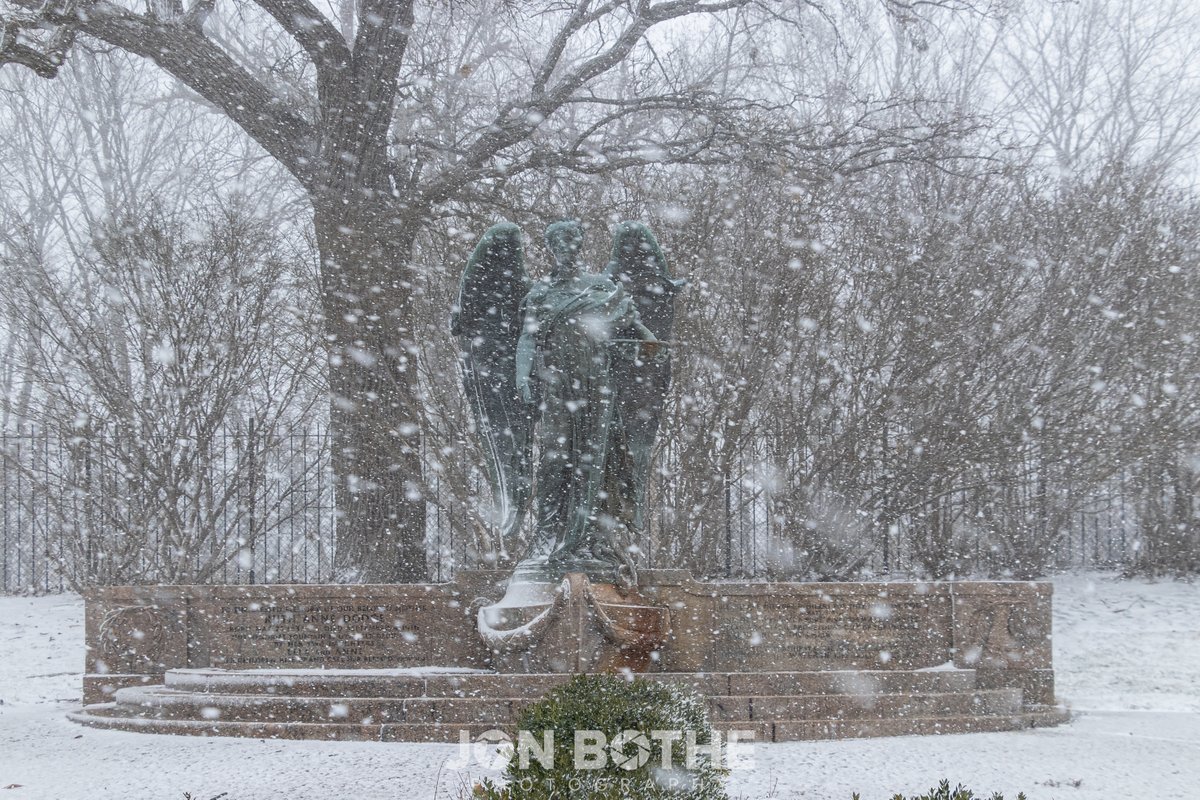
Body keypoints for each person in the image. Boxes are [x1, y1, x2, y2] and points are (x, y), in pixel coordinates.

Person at [513, 220, 658, 584]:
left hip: (596, 385)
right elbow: (528, 338)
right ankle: (549, 537)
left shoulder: (600, 286)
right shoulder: (542, 292)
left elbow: (632, 324)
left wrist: (647, 339)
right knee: (554, 461)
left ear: (579, 245)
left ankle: (591, 539)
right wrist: (522, 375)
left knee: (596, 462)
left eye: (572, 241)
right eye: (559, 242)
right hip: (558, 387)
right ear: (551, 247)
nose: (566, 248)